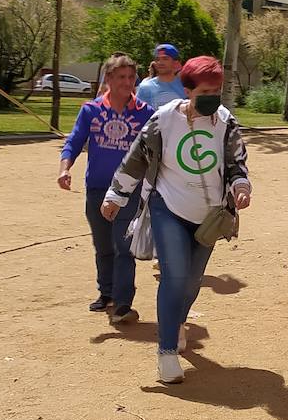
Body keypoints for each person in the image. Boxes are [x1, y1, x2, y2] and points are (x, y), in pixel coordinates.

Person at [102, 56, 251, 385]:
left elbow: (237, 163)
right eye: (207, 91)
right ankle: (166, 352)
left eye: (218, 90)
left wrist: (241, 186)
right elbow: (137, 159)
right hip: (167, 207)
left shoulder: (225, 122)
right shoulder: (164, 120)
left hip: (210, 215)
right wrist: (116, 195)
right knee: (175, 275)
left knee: (192, 281)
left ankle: (177, 321)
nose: (214, 97)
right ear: (188, 90)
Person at [57, 53, 154, 325]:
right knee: (103, 246)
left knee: (124, 246)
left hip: (129, 190)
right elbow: (74, 141)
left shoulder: (145, 112)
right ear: (108, 79)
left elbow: (157, 147)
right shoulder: (91, 110)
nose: (127, 82)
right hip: (97, 187)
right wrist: (65, 169)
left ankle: (123, 303)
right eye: (120, 77)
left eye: (131, 77)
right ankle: (107, 293)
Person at [136, 44, 186, 108]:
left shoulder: (185, 86)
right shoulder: (145, 87)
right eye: (157, 59)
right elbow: (138, 113)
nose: (160, 62)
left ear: (175, 62)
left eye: (165, 58)